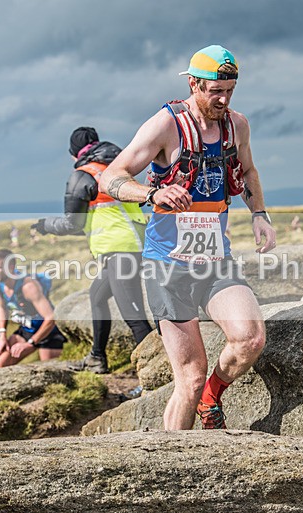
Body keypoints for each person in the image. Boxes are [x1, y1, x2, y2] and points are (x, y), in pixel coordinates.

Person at [94, 45, 276, 430]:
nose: (223, 100)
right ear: (194, 84)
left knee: (250, 339)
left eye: (230, 91)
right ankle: (173, 456)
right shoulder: (166, 125)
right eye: (215, 91)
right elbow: (110, 177)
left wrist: (259, 214)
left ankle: (214, 396)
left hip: (215, 262)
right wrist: (151, 194)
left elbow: (248, 171)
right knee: (189, 378)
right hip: (168, 268)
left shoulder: (237, 126)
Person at [31, 127, 153, 374]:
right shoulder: (119, 167)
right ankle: (97, 357)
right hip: (131, 245)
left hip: (120, 250)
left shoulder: (82, 176)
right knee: (97, 296)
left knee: (135, 317)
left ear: (74, 153)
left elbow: (73, 223)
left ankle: (159, 373)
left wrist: (45, 225)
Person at [0, 248, 66, 368]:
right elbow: (2, 307)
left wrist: (30, 343)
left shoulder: (28, 287)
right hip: (28, 330)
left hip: (48, 331)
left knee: (49, 372)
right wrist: (2, 334)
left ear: (10, 267)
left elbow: (51, 317)